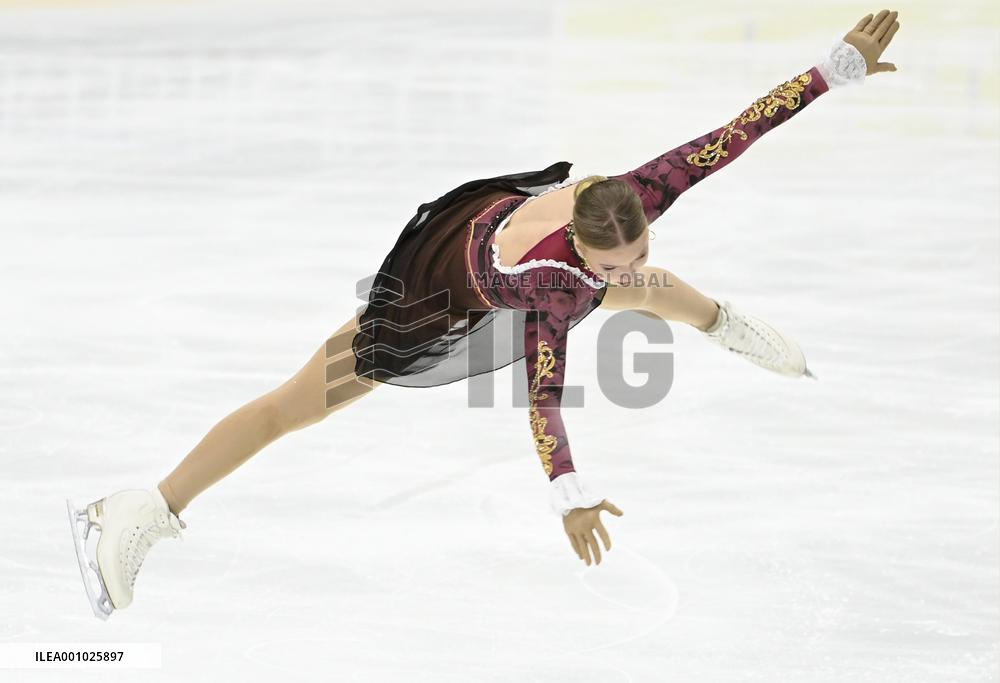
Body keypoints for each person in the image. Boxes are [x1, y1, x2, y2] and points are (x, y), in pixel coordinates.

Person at [67, 10, 900, 619]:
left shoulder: (631, 196)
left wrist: (833, 71)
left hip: (491, 219)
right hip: (433, 295)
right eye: (611, 260)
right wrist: (569, 490)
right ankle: (141, 506)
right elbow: (544, 393)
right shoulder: (556, 284)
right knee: (296, 404)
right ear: (579, 243)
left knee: (648, 285)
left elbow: (735, 133)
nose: (629, 263)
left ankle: (723, 323)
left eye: (636, 246)